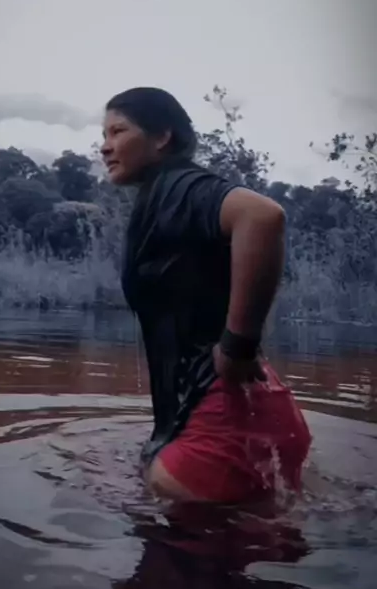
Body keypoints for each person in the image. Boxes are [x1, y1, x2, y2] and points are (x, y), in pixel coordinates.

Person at [101, 86, 311, 503]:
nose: (105, 147)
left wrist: (238, 345)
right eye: (103, 135)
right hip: (248, 408)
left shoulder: (179, 186)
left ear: (162, 137)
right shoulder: (163, 197)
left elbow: (262, 216)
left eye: (118, 132)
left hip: (220, 417)